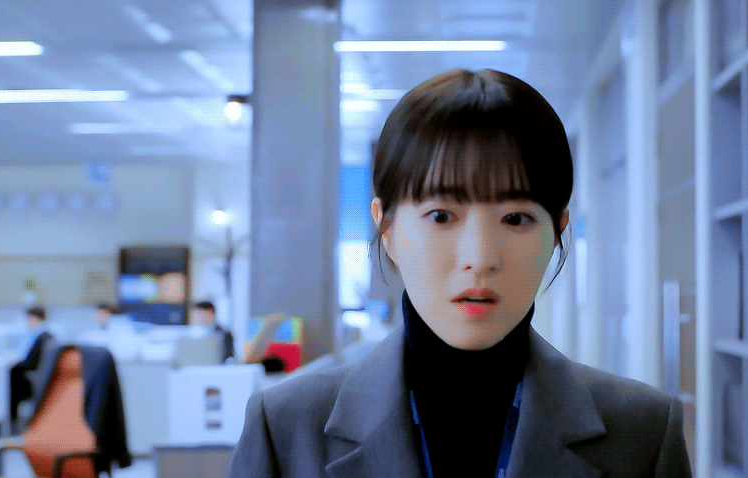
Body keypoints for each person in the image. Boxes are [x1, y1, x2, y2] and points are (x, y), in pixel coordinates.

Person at [228, 69, 692, 477]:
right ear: (386, 228)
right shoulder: (287, 428)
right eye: (441, 216)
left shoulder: (641, 432)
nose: (480, 257)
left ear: (557, 231)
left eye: (515, 218)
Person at [9, 306, 53, 423]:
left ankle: (11, 418)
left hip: (33, 377)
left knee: (12, 373)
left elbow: (31, 363)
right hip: (38, 375)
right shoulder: (45, 335)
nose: (27, 322)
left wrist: (15, 364)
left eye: (28, 318)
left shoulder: (42, 336)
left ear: (35, 318)